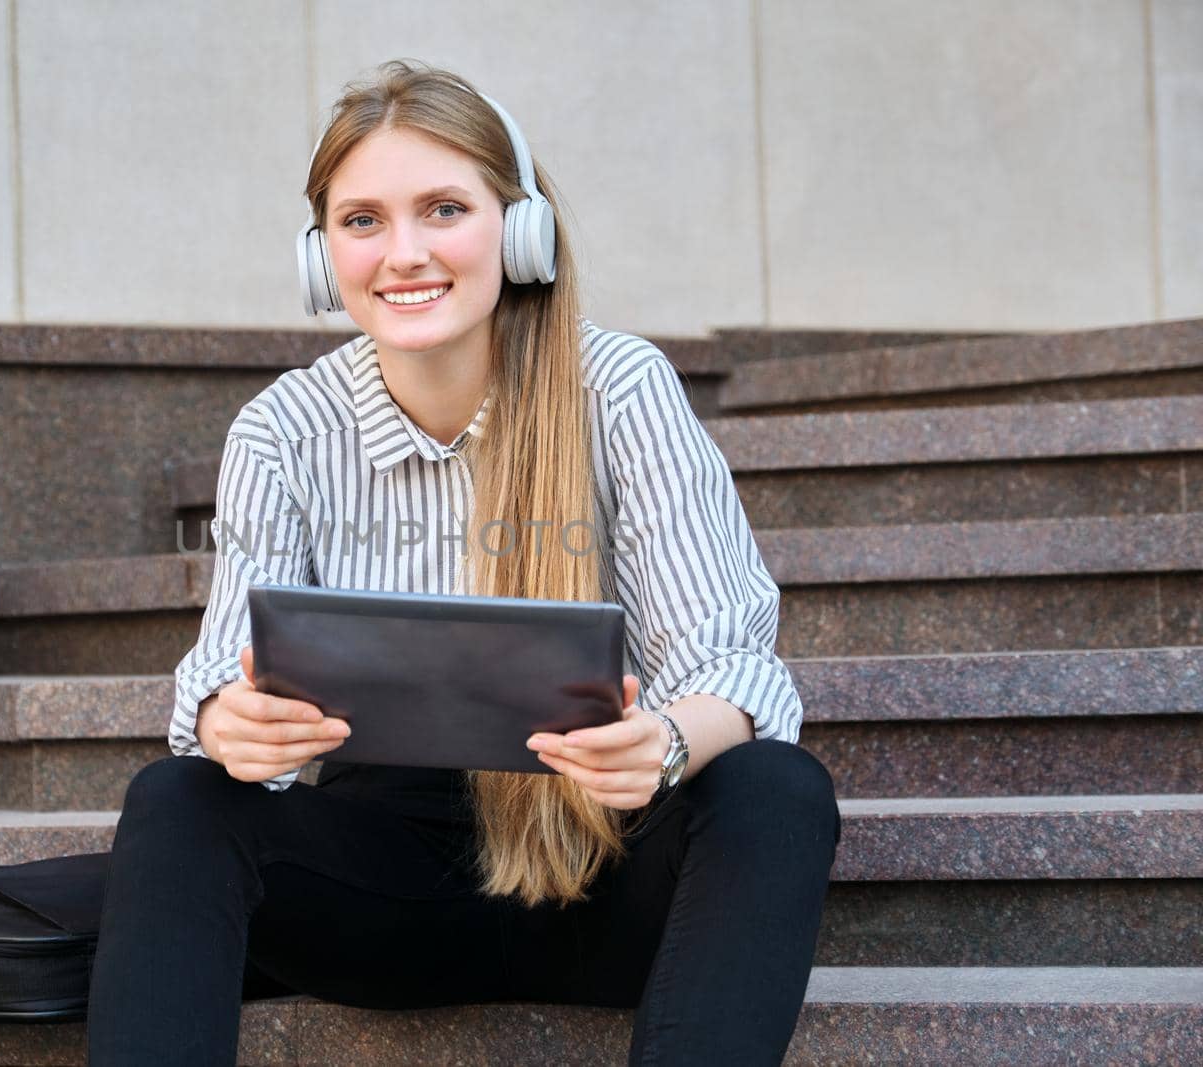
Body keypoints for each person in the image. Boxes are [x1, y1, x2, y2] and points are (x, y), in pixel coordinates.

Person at [87, 59, 841, 1066]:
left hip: (603, 869)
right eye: (362, 221)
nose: (403, 253)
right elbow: (221, 679)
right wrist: (237, 720)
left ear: (518, 228)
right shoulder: (283, 430)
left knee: (774, 789)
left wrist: (658, 740)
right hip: (385, 893)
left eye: (443, 208)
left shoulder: (618, 388)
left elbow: (734, 665)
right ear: (322, 255)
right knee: (177, 798)